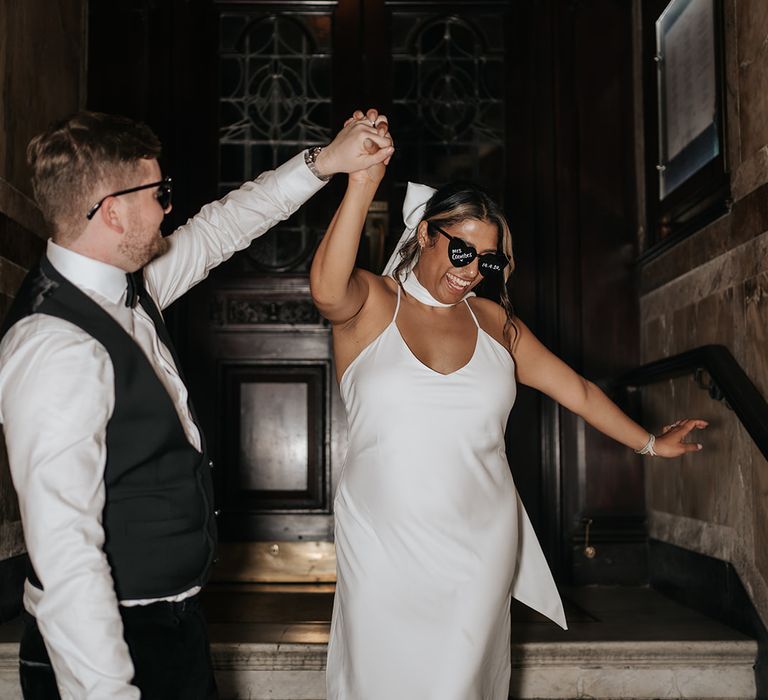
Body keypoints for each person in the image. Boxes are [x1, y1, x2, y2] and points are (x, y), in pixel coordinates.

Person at [309, 110, 708, 699]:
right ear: (425, 234)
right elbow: (324, 286)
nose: (471, 271)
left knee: (457, 685)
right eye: (460, 251)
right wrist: (362, 182)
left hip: (480, 537)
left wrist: (650, 443)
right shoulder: (371, 302)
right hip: (383, 537)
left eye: (488, 261)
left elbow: (577, 389)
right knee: (378, 681)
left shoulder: (496, 323)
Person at [0, 108, 394, 700]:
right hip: (107, 646)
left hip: (172, 624)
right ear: (113, 210)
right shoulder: (54, 345)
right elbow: (65, 557)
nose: (166, 206)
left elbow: (223, 227)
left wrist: (327, 163)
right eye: (157, 193)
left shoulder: (126, 286)